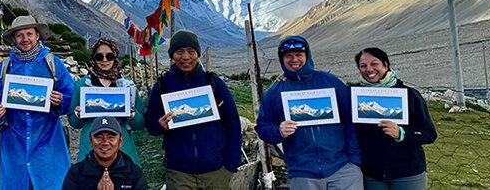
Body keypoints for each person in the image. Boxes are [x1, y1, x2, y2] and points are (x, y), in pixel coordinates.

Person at [256, 35, 362, 189]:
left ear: (307, 55)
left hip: (342, 169)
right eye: (288, 56)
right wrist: (278, 131)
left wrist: (354, 161)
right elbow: (262, 128)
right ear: (282, 59)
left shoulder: (330, 82)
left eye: (299, 55)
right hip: (302, 174)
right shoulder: (274, 92)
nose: (294, 59)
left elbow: (351, 120)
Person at [0, 15, 77, 190]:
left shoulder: (52, 63)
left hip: (48, 141)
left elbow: (71, 95)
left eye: (29, 33)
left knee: (51, 184)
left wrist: (60, 101)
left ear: (37, 36)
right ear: (13, 39)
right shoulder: (4, 67)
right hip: (13, 141)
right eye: (19, 35)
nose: (25, 39)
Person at [145, 30, 243, 189]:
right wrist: (159, 125)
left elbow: (232, 123)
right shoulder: (163, 85)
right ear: (172, 55)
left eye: (191, 52)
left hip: (216, 171)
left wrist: (231, 164)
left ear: (197, 54)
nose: (185, 57)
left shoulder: (213, 83)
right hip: (179, 173)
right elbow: (150, 124)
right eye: (179, 52)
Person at [353, 48, 437, 190]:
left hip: (408, 173)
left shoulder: (410, 94)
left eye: (374, 64)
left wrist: (402, 134)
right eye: (363, 66)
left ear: (385, 64)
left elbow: (429, 133)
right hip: (372, 175)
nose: (369, 69)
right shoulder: (353, 96)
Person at [67, 37, 145, 165]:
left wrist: (133, 115)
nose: (104, 60)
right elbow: (74, 123)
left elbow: (141, 123)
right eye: (99, 56)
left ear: (115, 58)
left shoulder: (128, 86)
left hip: (123, 149)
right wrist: (77, 114)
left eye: (109, 56)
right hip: (90, 149)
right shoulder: (81, 85)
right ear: (93, 58)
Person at [62, 116, 149, 190]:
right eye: (99, 137)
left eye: (111, 137)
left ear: (120, 140)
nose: (105, 142)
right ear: (91, 140)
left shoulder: (134, 172)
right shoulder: (76, 173)